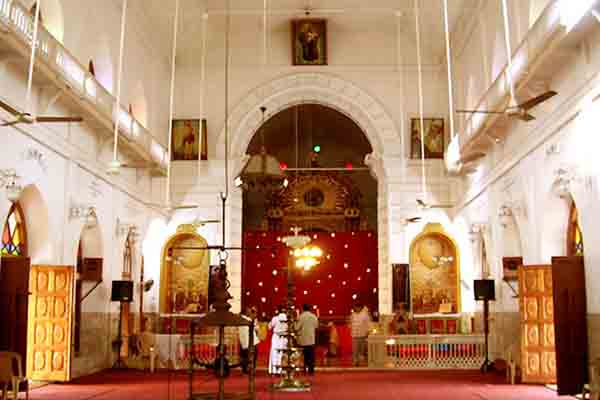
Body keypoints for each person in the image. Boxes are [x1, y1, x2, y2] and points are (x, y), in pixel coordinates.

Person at [296, 304, 319, 374]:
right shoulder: (313, 316)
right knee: (311, 355)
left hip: (303, 339)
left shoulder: (301, 317)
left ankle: (304, 369)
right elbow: (316, 326)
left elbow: (297, 327)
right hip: (311, 339)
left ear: (302, 309)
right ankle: (311, 370)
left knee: (304, 355)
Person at [239, 306, 260, 374]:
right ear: (245, 312)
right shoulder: (248, 319)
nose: (250, 312)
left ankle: (245, 369)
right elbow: (256, 328)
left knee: (244, 356)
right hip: (251, 341)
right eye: (249, 311)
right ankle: (251, 369)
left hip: (244, 342)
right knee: (252, 356)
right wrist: (254, 315)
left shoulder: (240, 318)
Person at [268, 306, 288, 375]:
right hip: (284, 337)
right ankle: (282, 370)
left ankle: (274, 370)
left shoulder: (275, 318)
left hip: (276, 337)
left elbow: (269, 327)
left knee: (275, 353)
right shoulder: (288, 319)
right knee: (283, 353)